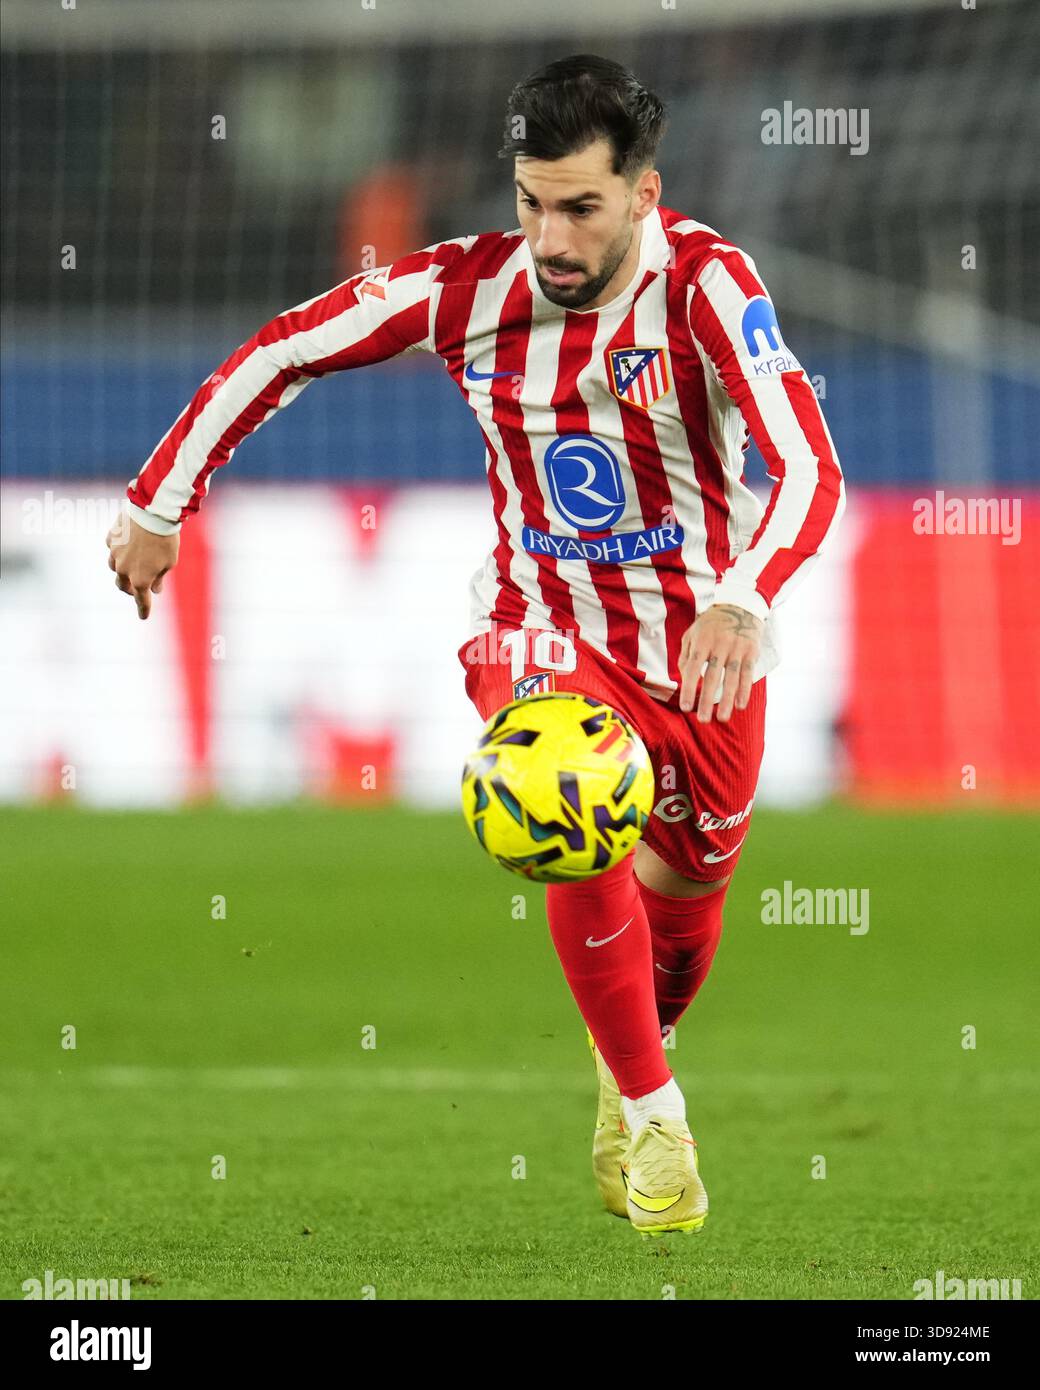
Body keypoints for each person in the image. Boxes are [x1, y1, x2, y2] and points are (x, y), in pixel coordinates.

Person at [107, 54, 845, 1237]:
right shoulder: (463, 290)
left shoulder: (708, 286)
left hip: (701, 636)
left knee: (691, 887)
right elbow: (283, 349)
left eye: (580, 207)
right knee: (560, 788)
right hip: (537, 623)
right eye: (529, 201)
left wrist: (744, 598)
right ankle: (657, 1112)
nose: (548, 237)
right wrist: (158, 503)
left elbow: (809, 466)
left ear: (643, 196)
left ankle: (628, 1060)